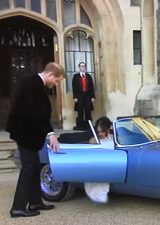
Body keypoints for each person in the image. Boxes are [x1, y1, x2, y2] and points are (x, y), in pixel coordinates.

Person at [6, 62, 65, 218]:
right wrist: (50, 133)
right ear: (51, 75)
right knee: (28, 168)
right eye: (57, 81)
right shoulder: (33, 84)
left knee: (34, 166)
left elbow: (37, 111)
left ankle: (35, 202)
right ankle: (18, 208)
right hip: (25, 133)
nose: (56, 84)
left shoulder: (33, 82)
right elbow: (37, 112)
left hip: (28, 132)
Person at [85, 116, 114, 203]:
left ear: (108, 130)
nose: (99, 134)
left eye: (102, 131)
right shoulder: (94, 140)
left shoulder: (113, 138)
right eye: (97, 131)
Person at [72, 62, 95, 130]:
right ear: (79, 67)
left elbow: (91, 87)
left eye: (84, 66)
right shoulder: (76, 76)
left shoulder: (88, 76)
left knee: (88, 111)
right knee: (80, 111)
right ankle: (81, 126)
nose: (83, 67)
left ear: (85, 67)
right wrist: (75, 97)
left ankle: (88, 126)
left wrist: (93, 96)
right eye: (81, 66)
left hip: (87, 95)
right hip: (79, 96)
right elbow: (74, 87)